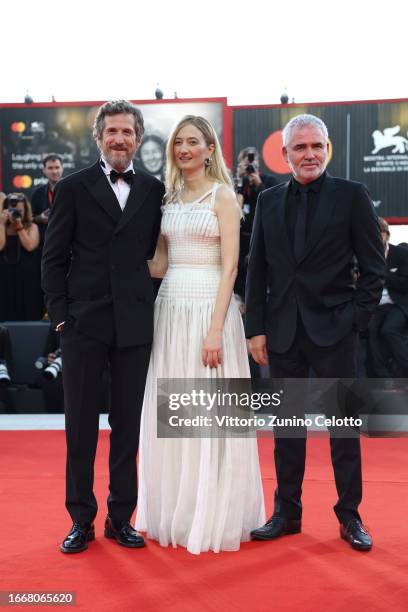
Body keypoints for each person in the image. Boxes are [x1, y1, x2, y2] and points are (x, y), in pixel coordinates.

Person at [245, 114, 385, 551]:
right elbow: (258, 270)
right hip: (284, 331)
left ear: (328, 149)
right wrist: (256, 329)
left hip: (336, 330)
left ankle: (350, 517)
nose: (309, 154)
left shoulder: (352, 196)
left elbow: (374, 268)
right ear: (285, 155)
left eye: (316, 146)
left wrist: (355, 320)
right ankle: (286, 513)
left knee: (343, 428)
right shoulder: (268, 202)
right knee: (287, 428)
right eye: (300, 148)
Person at [135, 115, 265, 554]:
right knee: (172, 412)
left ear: (210, 148)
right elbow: (158, 265)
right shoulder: (168, 197)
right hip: (170, 308)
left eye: (193, 142)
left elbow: (231, 267)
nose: (184, 149)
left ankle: (214, 513)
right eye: (179, 142)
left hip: (211, 310)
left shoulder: (223, 196)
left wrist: (214, 331)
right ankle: (179, 509)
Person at [41, 100, 164, 554]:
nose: (119, 139)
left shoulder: (153, 189)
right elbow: (52, 258)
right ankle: (80, 519)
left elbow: (154, 253)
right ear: (99, 137)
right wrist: (61, 316)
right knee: (80, 427)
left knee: (127, 425)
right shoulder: (73, 188)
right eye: (111, 131)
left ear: (137, 137)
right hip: (83, 323)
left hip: (133, 323)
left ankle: (120, 517)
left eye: (127, 132)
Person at [366, 217, 408, 377]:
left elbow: (405, 284)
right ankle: (382, 377)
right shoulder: (366, 256)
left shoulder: (401, 254)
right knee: (371, 330)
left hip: (400, 303)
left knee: (389, 330)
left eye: (379, 233)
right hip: (376, 304)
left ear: (386, 234)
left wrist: (384, 274)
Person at [234, 147, 278, 300]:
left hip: (261, 237)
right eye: (246, 166)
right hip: (240, 238)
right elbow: (232, 209)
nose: (250, 169)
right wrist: (240, 183)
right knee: (238, 273)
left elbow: (273, 206)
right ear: (240, 165)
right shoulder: (236, 183)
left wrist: (259, 185)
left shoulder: (268, 181)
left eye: (252, 165)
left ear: (258, 164)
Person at [0, 192, 43, 321]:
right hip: (5, 277)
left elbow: (30, 246)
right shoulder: (1, 226)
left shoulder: (32, 227)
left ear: (26, 210)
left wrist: (19, 227)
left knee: (27, 309)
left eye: (20, 211)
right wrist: (2, 223)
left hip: (27, 278)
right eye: (13, 210)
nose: (16, 213)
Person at [31, 154, 64, 221]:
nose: (54, 171)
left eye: (57, 167)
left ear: (62, 169)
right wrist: (40, 218)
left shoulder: (72, 190)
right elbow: (31, 218)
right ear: (44, 170)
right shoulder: (37, 194)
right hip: (46, 230)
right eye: (50, 168)